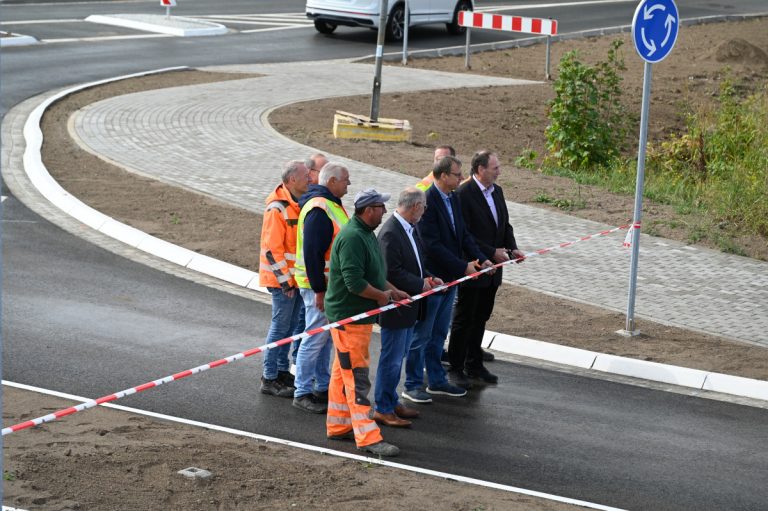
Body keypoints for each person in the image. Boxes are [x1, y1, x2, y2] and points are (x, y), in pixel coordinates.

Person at [324, 188, 409, 457]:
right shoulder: (352, 238)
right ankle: (368, 437)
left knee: (342, 372)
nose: (385, 211)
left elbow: (372, 274)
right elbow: (355, 283)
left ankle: (338, 426)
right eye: (381, 207)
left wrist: (391, 290)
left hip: (354, 318)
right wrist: (382, 296)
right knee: (357, 378)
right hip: (349, 318)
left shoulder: (365, 234)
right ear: (369, 209)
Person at [403, 156, 493, 403]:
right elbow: (431, 244)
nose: (460, 178)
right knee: (422, 334)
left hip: (451, 279)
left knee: (439, 333)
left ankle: (436, 380)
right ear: (443, 176)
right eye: (456, 174)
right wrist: (463, 266)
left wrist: (481, 257)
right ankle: (411, 384)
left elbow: (463, 234)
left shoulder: (453, 198)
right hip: (433, 279)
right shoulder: (428, 201)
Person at [450, 151, 526, 385]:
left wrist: (512, 249)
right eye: (495, 167)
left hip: (494, 269)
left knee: (481, 316)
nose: (498, 171)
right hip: (475, 267)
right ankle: (456, 366)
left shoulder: (498, 191)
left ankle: (474, 364)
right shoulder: (464, 194)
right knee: (465, 318)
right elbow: (465, 233)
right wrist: (490, 253)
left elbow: (505, 224)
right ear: (480, 169)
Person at [375, 187, 441, 427]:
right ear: (414, 206)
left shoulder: (410, 229)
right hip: (396, 307)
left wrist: (429, 277)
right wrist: (420, 284)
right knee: (391, 360)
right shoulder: (391, 232)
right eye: (423, 206)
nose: (425, 210)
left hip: (408, 306)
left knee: (397, 357)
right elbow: (391, 272)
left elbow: (416, 264)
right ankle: (382, 408)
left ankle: (391, 401)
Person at [292, 162, 351, 413]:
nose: (349, 184)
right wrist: (319, 290)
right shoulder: (320, 209)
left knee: (323, 338)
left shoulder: (329, 205)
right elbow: (313, 253)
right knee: (315, 338)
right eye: (345, 180)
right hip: (319, 285)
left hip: (327, 285)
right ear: (332, 181)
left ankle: (322, 386)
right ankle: (302, 391)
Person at [258, 160, 310, 397]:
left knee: (288, 327)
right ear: (292, 181)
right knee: (280, 328)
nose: (310, 179)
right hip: (283, 282)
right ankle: (269, 378)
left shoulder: (295, 204)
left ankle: (280, 371)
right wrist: (286, 281)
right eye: (306, 176)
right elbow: (272, 249)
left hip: (293, 280)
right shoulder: (277, 208)